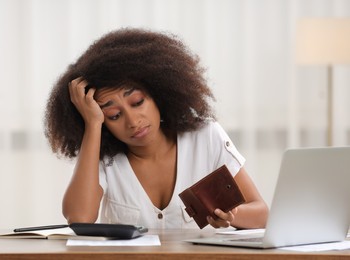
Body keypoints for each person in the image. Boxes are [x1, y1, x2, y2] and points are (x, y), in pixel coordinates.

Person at [44, 28, 268, 229]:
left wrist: (232, 215)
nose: (132, 121)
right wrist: (92, 124)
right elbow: (79, 218)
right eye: (113, 115)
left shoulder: (205, 136)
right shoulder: (103, 156)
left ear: (158, 93)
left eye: (138, 102)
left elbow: (262, 214)